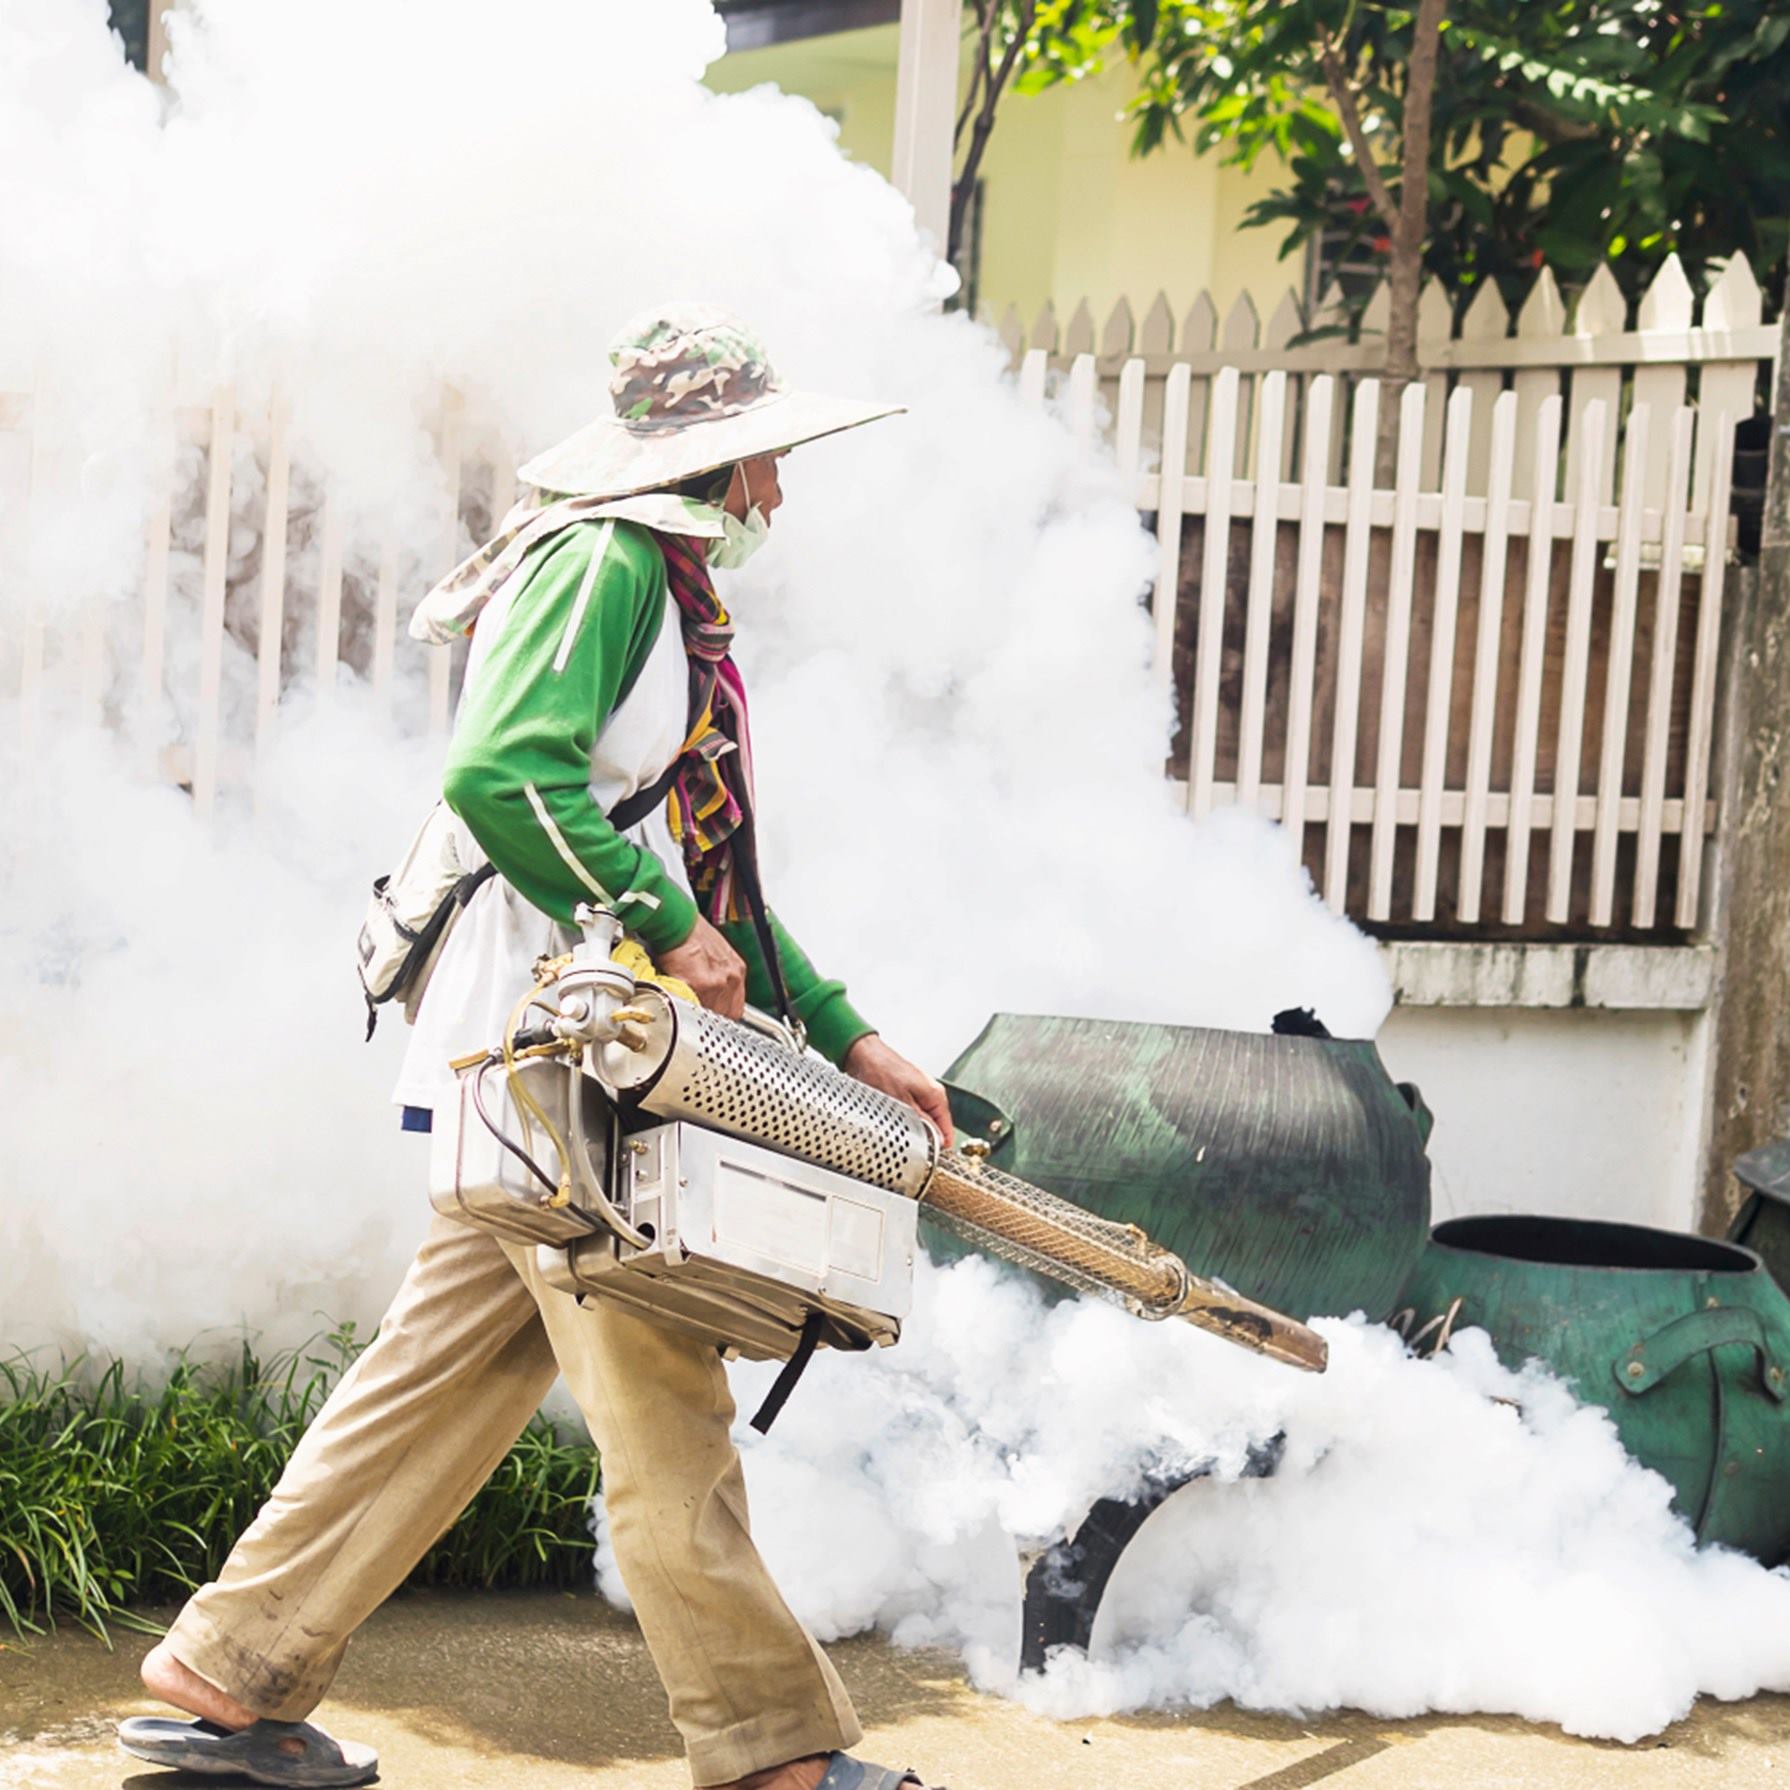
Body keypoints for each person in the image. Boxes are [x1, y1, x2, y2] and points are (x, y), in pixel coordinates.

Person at [118, 305, 952, 1790]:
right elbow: (505, 774)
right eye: (760, 460)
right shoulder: (609, 561)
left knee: (441, 1373)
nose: (774, 493)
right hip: (561, 1054)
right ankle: (772, 1754)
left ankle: (226, 1670)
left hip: (551, 1052)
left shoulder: (642, 572)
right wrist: (651, 919)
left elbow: (709, 869)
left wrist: (843, 1029)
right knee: (661, 1387)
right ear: (704, 459)